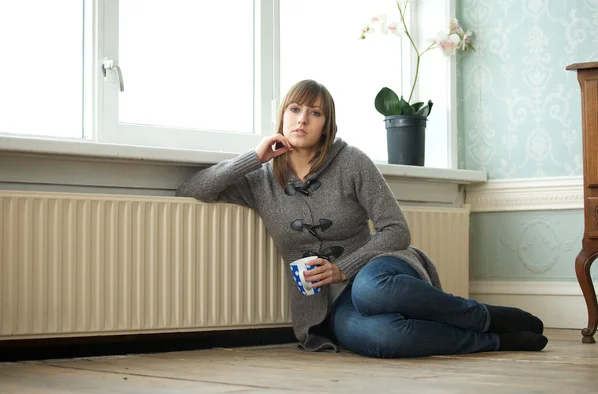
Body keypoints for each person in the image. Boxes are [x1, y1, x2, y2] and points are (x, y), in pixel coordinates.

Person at [176, 79, 547, 358]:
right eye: (295, 109)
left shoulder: (352, 162)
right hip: (334, 305)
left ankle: (481, 316)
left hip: (380, 268)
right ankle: (493, 340)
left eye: (314, 113)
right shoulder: (261, 180)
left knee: (372, 291)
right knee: (384, 339)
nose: (302, 119)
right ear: (283, 115)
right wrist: (253, 157)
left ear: (327, 124)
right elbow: (195, 188)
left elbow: (396, 230)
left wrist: (343, 268)